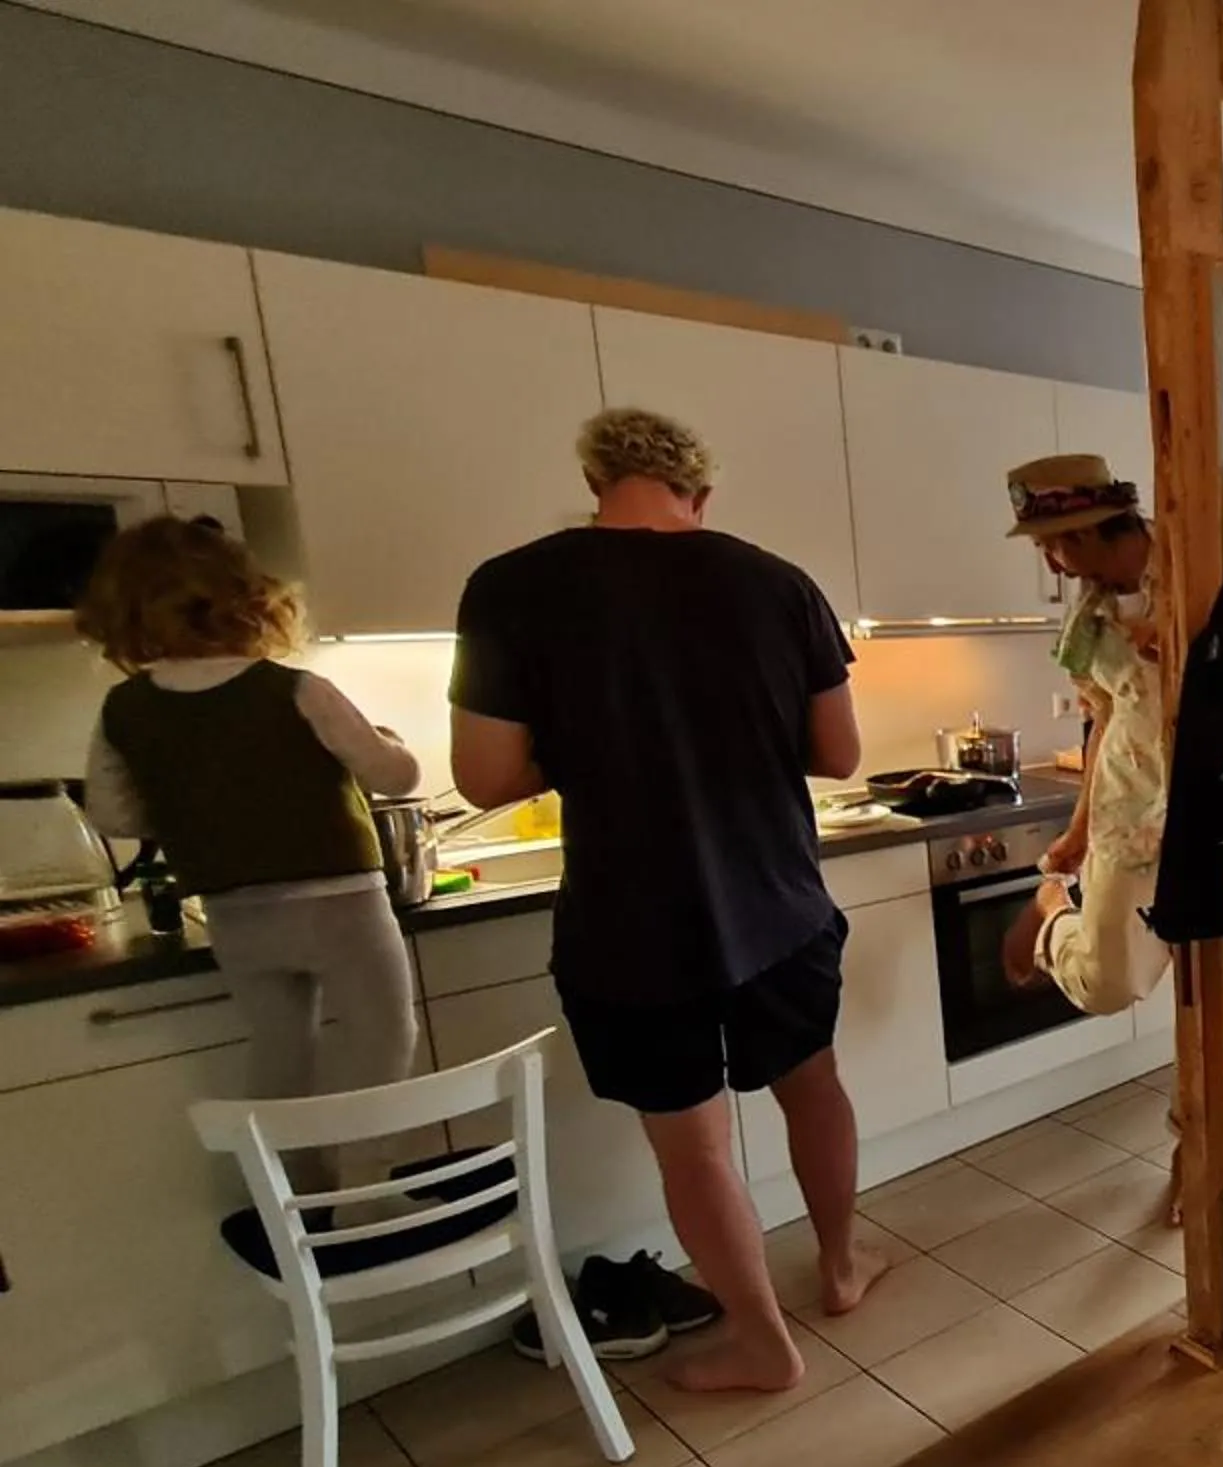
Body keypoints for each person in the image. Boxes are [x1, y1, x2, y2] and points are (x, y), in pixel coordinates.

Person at [449, 407, 872, 1394]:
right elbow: (840, 755)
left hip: (631, 926)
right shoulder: (777, 582)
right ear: (702, 491)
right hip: (778, 906)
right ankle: (843, 1268)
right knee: (813, 1083)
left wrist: (594, 741)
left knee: (694, 1148)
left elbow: (483, 774)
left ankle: (764, 1341)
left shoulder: (510, 586)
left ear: (594, 481)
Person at [78, 516, 424, 1142]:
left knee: (280, 1050)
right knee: (381, 1041)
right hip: (341, 906)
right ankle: (363, 1193)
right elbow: (396, 777)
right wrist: (387, 743)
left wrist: (196, 806)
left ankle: (295, 1194)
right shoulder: (294, 689)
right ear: (249, 595)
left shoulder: (122, 708)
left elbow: (113, 816)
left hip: (236, 914)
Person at [1004, 454, 1171, 1020]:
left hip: (1218, 812)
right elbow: (1104, 720)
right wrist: (1077, 835)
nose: (1054, 565)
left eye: (1053, 546)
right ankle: (1054, 914)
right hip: (1128, 809)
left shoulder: (1196, 566)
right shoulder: (1089, 615)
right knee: (1108, 983)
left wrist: (1177, 646)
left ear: (1086, 529)